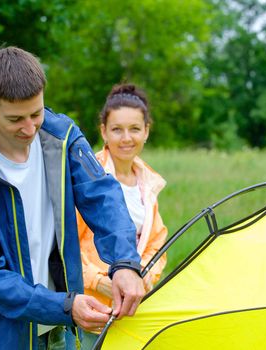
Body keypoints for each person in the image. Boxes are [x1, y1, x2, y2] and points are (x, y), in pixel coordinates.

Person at [0, 47, 145, 350]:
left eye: (36, 113)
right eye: (16, 119)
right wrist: (64, 306)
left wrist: (124, 263)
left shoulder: (62, 137)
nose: (30, 128)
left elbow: (103, 197)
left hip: (62, 329)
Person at [76, 83, 168, 349]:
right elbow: (65, 244)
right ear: (103, 131)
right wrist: (100, 282)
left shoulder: (148, 184)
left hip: (131, 307)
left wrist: (145, 276)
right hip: (91, 305)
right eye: (117, 129)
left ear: (147, 131)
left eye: (134, 129)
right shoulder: (86, 179)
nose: (126, 138)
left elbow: (156, 243)